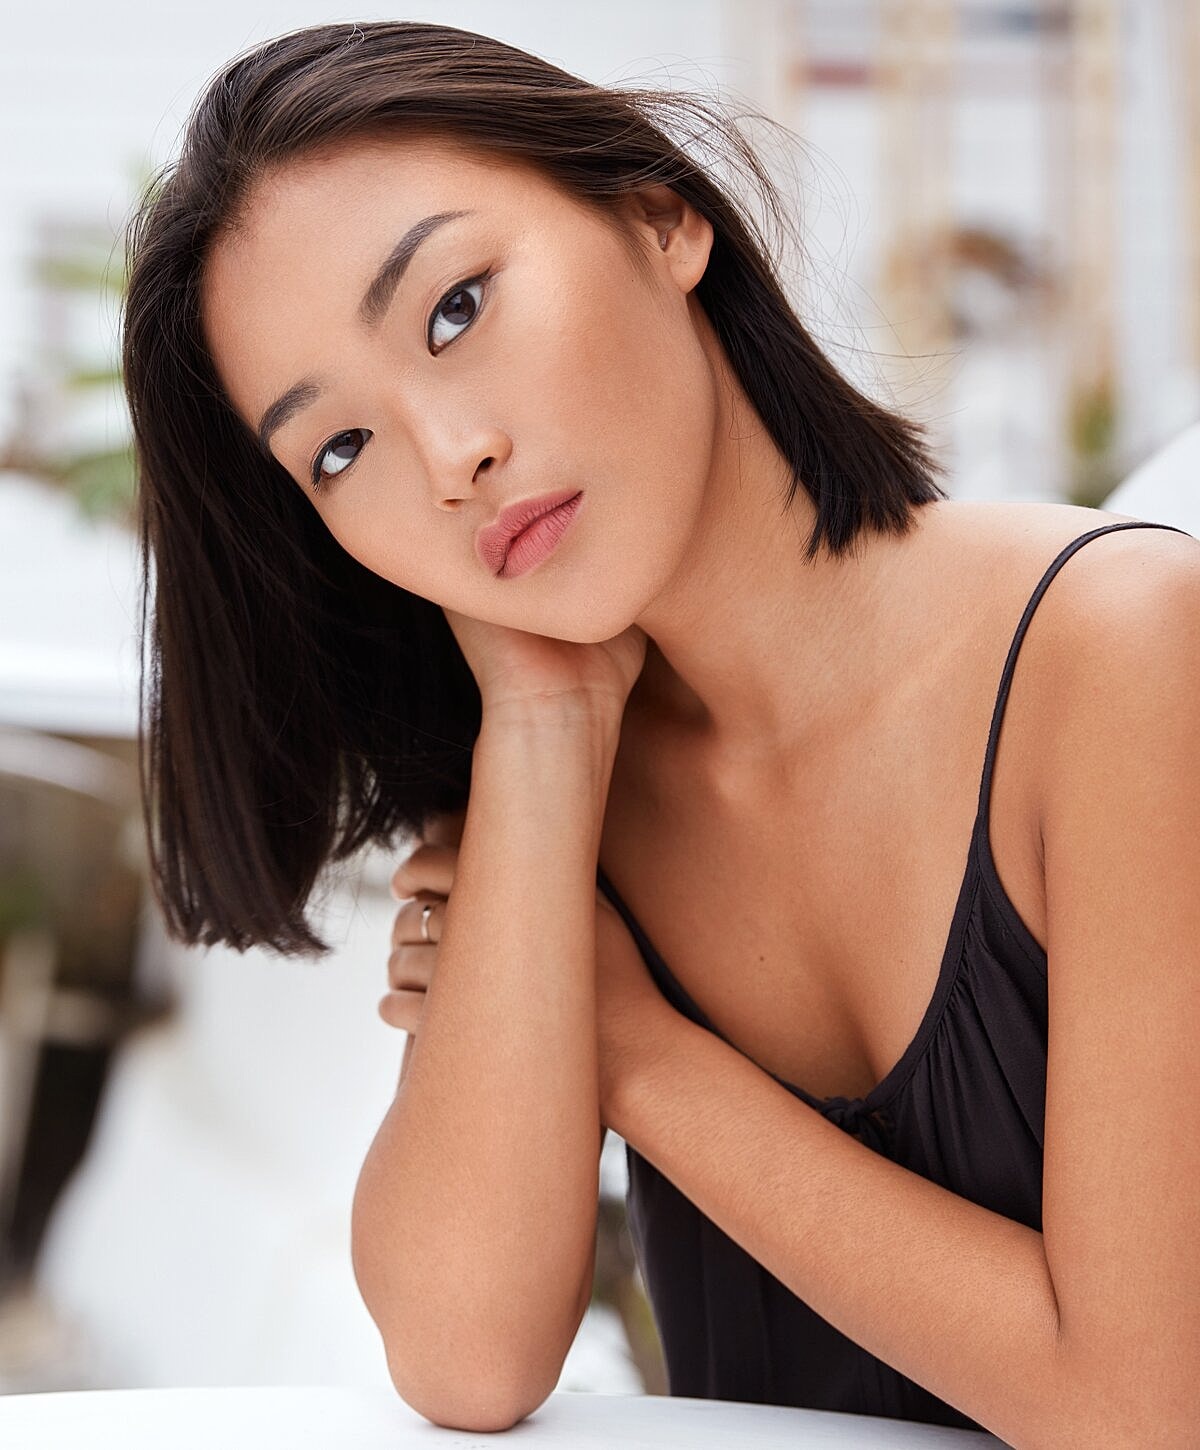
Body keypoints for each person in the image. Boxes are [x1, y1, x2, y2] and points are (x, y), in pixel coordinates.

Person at [121, 19, 1200, 1443]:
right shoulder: (559, 795)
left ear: (660, 217)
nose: (449, 460)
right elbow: (466, 1358)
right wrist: (544, 724)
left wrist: (637, 1052)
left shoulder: (1121, 649)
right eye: (339, 449)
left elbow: (1142, 1405)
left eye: (455, 310)